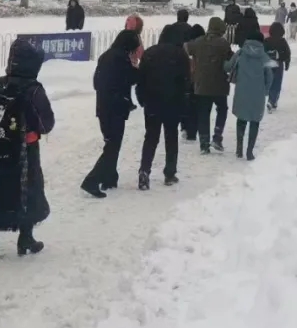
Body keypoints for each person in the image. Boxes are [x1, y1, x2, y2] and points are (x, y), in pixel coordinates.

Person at [0, 39, 55, 261]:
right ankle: (26, 238)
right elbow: (45, 123)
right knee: (27, 191)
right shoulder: (33, 89)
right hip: (24, 151)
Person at [82, 30, 140, 198]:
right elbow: (130, 78)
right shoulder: (120, 58)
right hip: (115, 108)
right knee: (113, 146)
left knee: (111, 142)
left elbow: (96, 82)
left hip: (103, 107)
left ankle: (109, 178)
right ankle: (91, 181)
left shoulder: (106, 56)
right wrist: (139, 70)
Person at [135, 25, 191, 189]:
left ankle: (144, 171)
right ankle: (169, 173)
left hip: (152, 102)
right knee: (171, 137)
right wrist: (184, 104)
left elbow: (141, 79)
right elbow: (185, 82)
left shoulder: (149, 53)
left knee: (151, 137)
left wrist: (142, 99)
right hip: (172, 102)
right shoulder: (180, 54)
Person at [225, 31, 275, 160]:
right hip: (257, 94)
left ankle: (239, 148)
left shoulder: (240, 53)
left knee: (241, 119)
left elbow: (229, 67)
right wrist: (266, 91)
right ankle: (249, 151)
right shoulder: (264, 57)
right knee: (254, 121)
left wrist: (221, 63)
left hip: (242, 91)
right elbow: (269, 76)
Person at [187, 17, 234, 153]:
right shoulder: (223, 44)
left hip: (201, 83)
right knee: (222, 109)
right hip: (219, 83)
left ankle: (204, 143)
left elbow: (186, 48)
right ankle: (217, 136)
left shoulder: (198, 42)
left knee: (203, 112)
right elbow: (230, 59)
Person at [263, 21, 292, 111]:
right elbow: (287, 53)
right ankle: (272, 101)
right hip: (278, 64)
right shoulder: (282, 41)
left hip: (268, 63)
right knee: (276, 83)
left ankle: (270, 99)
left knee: (268, 82)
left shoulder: (266, 40)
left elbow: (262, 52)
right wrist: (287, 64)